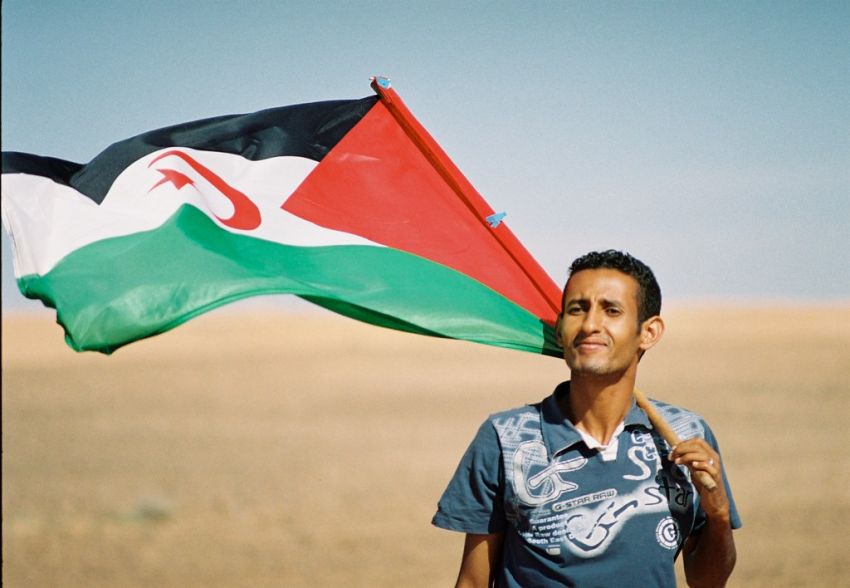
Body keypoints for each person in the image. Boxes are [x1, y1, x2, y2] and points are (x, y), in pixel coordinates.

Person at [433, 250, 740, 587]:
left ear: (648, 332)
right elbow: (474, 581)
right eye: (577, 309)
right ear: (562, 328)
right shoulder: (506, 438)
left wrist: (718, 514)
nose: (591, 325)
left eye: (611, 310)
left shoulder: (685, 435)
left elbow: (707, 582)